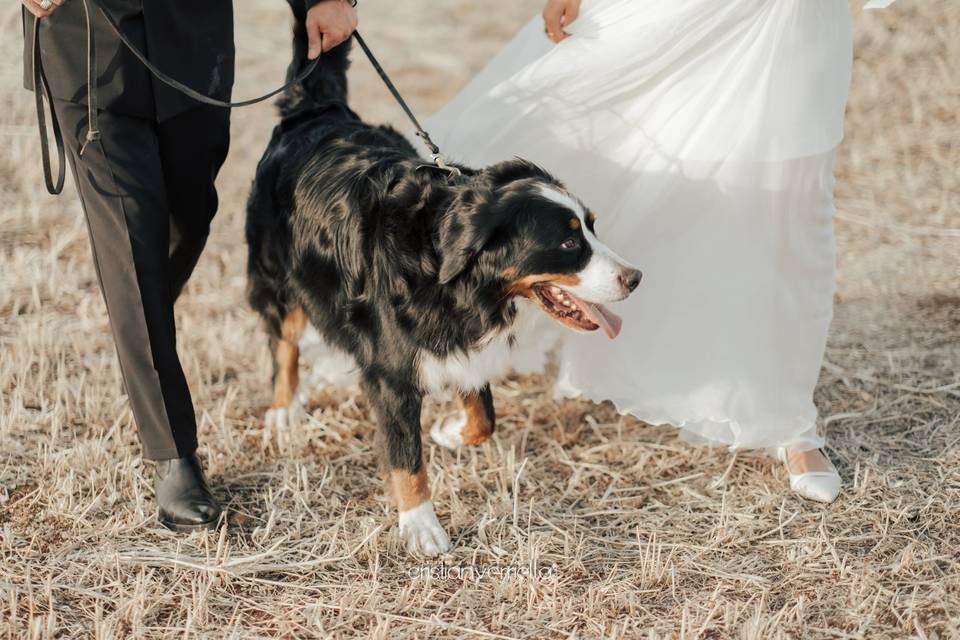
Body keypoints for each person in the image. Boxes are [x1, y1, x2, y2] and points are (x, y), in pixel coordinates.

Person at [424, 0, 895, 503]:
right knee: (579, 135)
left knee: (789, 211)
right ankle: (434, 326)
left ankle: (792, 424)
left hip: (790, 22)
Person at [21, 0, 358, 530]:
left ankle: (143, 322)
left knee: (190, 218)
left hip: (193, 48)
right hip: (90, 47)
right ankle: (172, 453)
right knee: (133, 251)